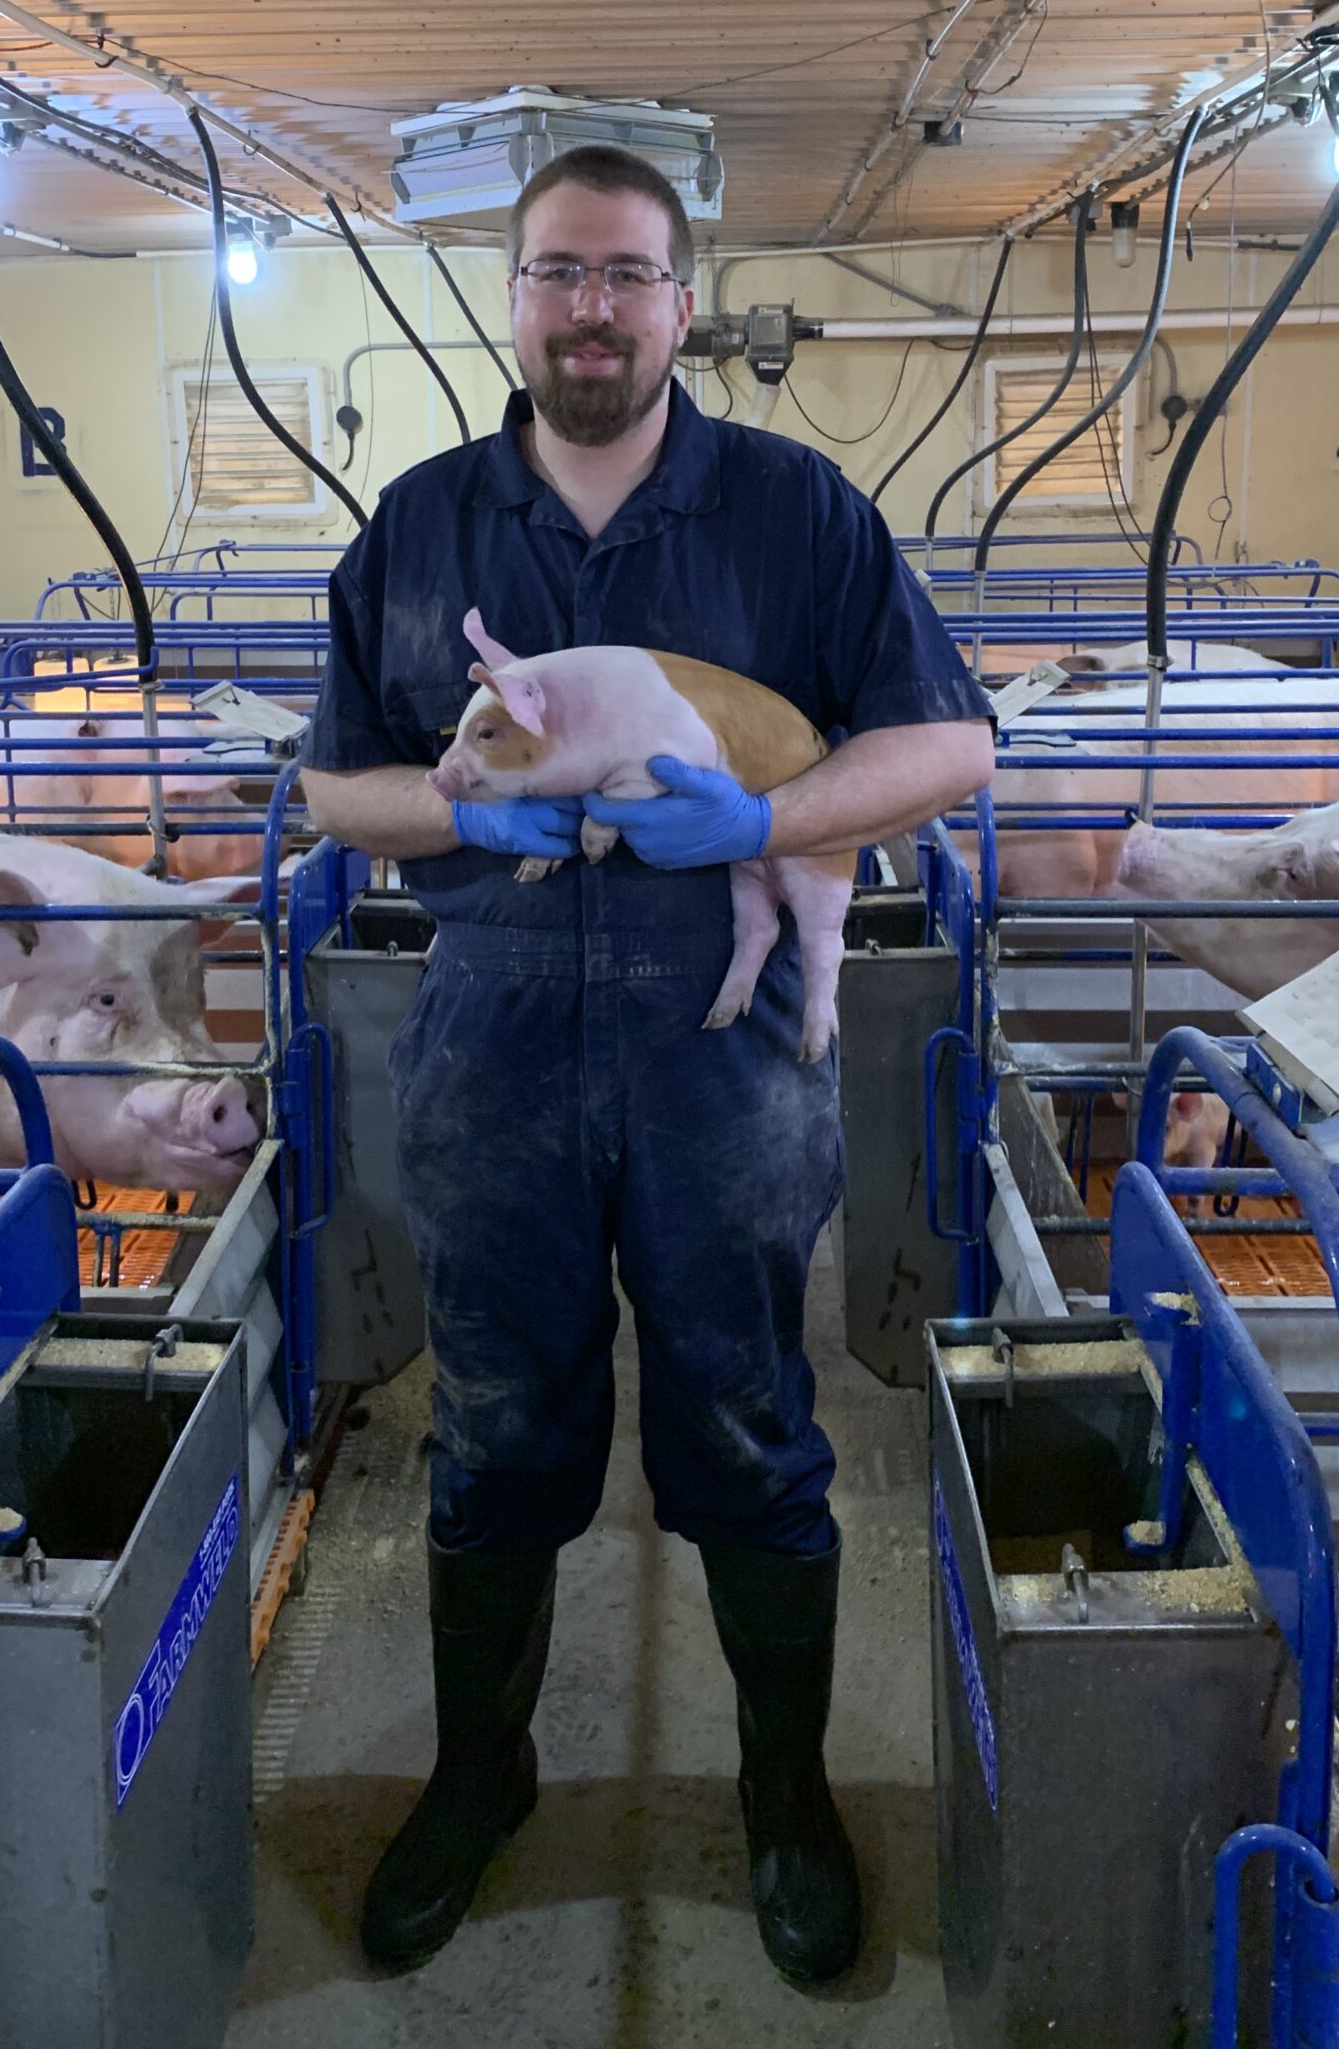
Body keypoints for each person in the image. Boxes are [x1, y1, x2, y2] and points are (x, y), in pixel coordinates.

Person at [301, 144, 994, 1986]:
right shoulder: (423, 525)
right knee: (495, 1427)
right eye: (555, 274)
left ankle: (783, 1797)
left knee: (754, 1424)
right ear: (511, 298)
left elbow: (950, 752)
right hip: (494, 1042)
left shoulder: (798, 511)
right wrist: (469, 824)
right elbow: (333, 786)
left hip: (728, 1054)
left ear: (684, 303)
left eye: (624, 275)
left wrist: (762, 814)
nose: (588, 309)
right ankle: (478, 1777)